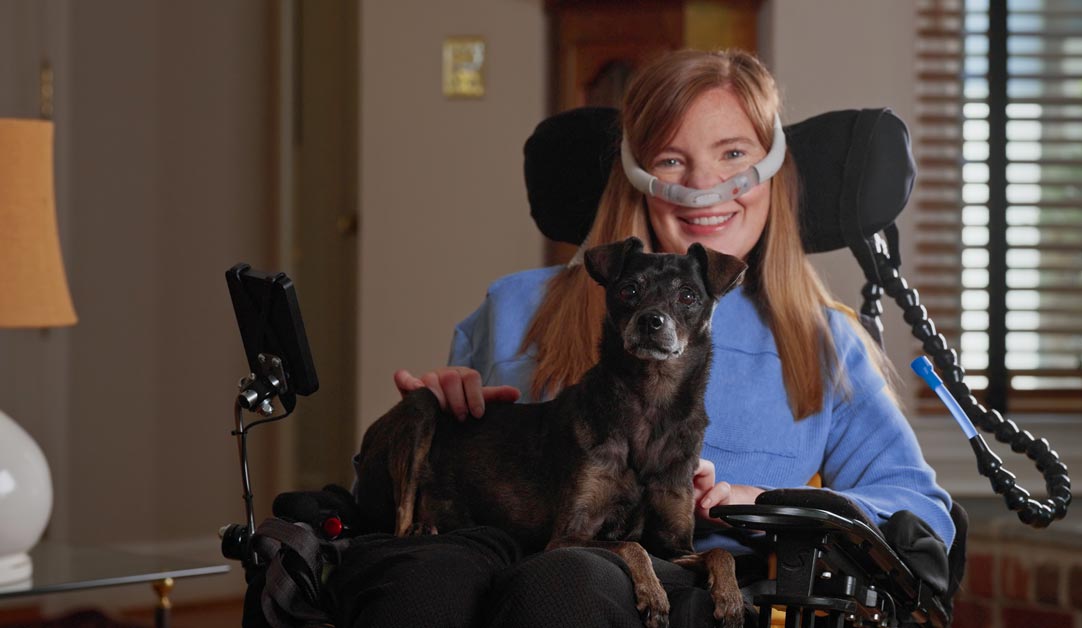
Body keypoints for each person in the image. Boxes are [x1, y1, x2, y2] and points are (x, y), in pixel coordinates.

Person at [333, 49, 954, 628]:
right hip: (485, 549)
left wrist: (774, 504)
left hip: (656, 590)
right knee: (415, 584)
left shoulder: (823, 343)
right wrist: (447, 408)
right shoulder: (514, 305)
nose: (705, 185)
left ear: (774, 167)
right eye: (671, 159)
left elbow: (921, 511)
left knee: (564, 588)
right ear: (636, 172)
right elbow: (421, 486)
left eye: (734, 154)